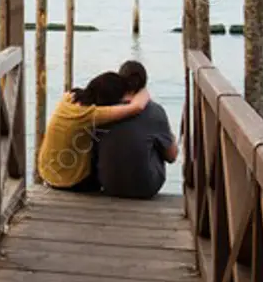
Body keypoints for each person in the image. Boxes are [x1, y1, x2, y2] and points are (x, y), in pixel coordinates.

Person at [37, 71, 150, 191]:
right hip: (70, 182)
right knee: (110, 128)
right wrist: (143, 90)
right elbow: (137, 107)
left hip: (46, 172)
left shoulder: (69, 97)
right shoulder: (90, 115)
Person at [96, 60, 178, 199]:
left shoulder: (105, 109)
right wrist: (171, 137)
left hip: (109, 185)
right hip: (146, 188)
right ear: (144, 84)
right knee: (161, 140)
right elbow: (171, 157)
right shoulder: (155, 111)